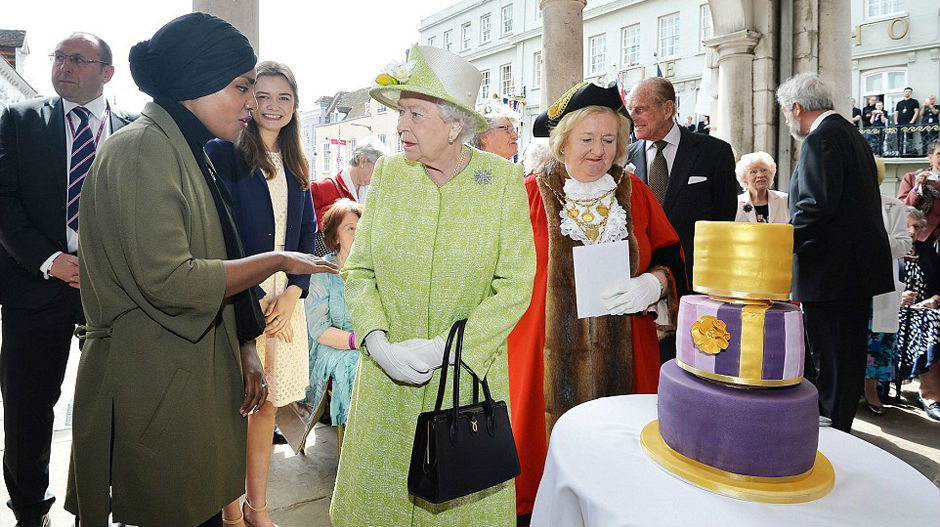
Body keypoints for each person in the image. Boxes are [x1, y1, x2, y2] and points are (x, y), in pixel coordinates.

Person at [63, 13, 337, 527]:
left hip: (186, 375)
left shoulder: (184, 147)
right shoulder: (144, 149)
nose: (252, 104)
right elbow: (171, 280)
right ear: (196, 84)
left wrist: (245, 348)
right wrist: (277, 261)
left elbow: (214, 249)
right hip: (155, 380)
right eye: (242, 88)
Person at [330, 44, 535, 527]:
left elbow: (515, 284)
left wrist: (448, 349)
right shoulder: (388, 175)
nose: (401, 125)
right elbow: (359, 271)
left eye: (415, 114)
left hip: (465, 380)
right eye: (401, 113)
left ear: (455, 125)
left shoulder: (502, 181)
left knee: (459, 510)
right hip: (388, 383)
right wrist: (378, 344)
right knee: (381, 506)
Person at [507, 80, 686, 524]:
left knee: (622, 476)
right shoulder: (529, 193)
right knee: (542, 479)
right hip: (541, 361)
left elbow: (671, 255)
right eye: (587, 139)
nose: (598, 150)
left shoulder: (636, 193)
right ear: (563, 140)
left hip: (627, 353)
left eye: (609, 140)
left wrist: (655, 284)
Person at [0, 31, 136, 527]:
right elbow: (5, 201)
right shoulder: (19, 121)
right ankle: (30, 511)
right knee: (28, 409)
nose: (64, 67)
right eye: (60, 57)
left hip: (109, 291)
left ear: (107, 72)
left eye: (78, 60)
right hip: (33, 287)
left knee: (113, 402)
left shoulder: (130, 131)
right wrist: (50, 260)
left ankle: (100, 504)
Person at [205, 60, 317, 527]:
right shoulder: (223, 153)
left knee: (267, 406)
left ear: (294, 106)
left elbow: (307, 236)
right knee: (235, 404)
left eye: (283, 98)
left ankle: (259, 506)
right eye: (263, 96)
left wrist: (294, 292)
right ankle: (229, 508)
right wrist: (250, 297)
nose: (273, 106)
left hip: (282, 301)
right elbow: (219, 235)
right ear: (249, 101)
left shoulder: (294, 162)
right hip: (237, 296)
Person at [777, 72, 894, 432]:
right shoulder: (850, 134)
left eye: (785, 112)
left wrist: (776, 247)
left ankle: (831, 445)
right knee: (845, 365)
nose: (786, 120)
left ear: (797, 108)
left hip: (831, 277)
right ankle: (840, 433)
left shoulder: (820, 140)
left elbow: (814, 208)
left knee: (829, 368)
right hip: (852, 275)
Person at [626, 77, 736, 288]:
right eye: (630, 110)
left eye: (640, 110)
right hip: (639, 283)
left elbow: (724, 222)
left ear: (667, 109)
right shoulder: (623, 158)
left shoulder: (715, 153)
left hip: (694, 280)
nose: (632, 117)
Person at [303, 199, 362, 440]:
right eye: (350, 228)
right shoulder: (322, 270)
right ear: (336, 236)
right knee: (352, 364)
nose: (357, 233)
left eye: (361, 227)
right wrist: (355, 341)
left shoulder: (372, 268)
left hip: (366, 340)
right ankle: (355, 445)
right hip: (330, 344)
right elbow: (319, 329)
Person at [865, 157, 912, 415]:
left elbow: (904, 244)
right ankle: (850, 391)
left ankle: (871, 390)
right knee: (849, 338)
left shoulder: (893, 206)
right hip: (850, 283)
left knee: (878, 338)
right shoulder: (846, 205)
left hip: (881, 285)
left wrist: (874, 242)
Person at [895, 208, 940, 421]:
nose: (912, 231)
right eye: (907, 225)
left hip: (925, 311)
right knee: (932, 322)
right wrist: (898, 298)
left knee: (932, 318)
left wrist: (934, 299)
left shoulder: (928, 251)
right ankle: (930, 393)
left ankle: (929, 393)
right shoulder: (890, 250)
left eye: (917, 227)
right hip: (894, 312)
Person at [311, 137, 388, 227]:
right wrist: (338, 213)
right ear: (362, 161)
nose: (378, 176)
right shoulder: (322, 188)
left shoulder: (371, 193)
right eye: (377, 169)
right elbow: (303, 221)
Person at [897, 140, 940, 245]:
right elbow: (903, 208)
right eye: (939, 155)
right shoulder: (911, 178)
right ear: (930, 157)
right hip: (921, 237)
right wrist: (917, 188)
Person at [733, 151, 789, 223]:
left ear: (771, 174)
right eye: (753, 172)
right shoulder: (736, 204)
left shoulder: (785, 200)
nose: (760, 175)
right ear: (744, 178)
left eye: (764, 170)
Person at [894, 87, 920, 156]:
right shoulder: (899, 103)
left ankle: (909, 153)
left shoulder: (914, 101)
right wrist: (896, 122)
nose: (907, 93)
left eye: (909, 91)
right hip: (900, 123)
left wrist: (912, 122)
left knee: (909, 138)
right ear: (904, 92)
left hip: (909, 123)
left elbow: (916, 112)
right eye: (906, 91)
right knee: (899, 138)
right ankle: (900, 152)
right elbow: (896, 113)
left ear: (911, 93)